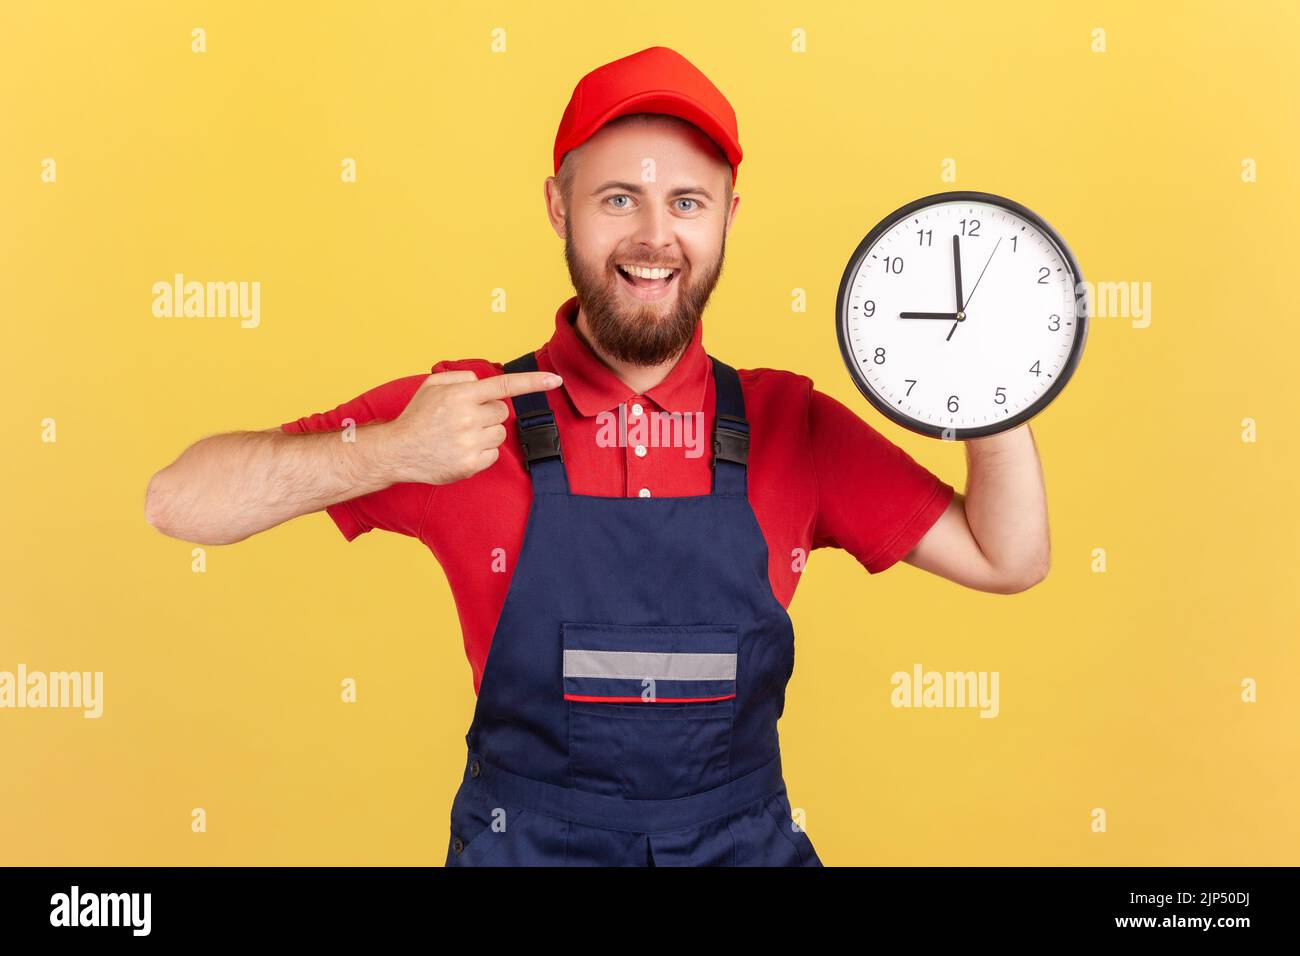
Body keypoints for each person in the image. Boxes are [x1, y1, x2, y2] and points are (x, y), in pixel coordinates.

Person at [144, 46, 1050, 866]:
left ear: (728, 217)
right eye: (620, 199)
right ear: (558, 206)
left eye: (685, 202)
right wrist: (387, 451)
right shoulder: (462, 411)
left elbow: (1008, 556)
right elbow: (179, 502)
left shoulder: (787, 420)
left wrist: (995, 382)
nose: (654, 238)